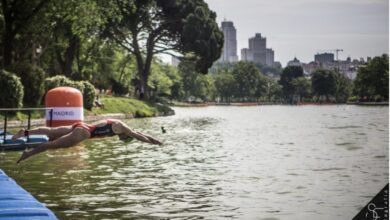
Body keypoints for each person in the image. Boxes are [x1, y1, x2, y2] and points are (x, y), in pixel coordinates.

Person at [13, 119, 162, 163]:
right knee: (52, 144)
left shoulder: (122, 127)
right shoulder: (122, 127)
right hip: (84, 133)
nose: (121, 139)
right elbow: (138, 136)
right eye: (124, 139)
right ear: (126, 136)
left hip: (81, 125)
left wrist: (157, 142)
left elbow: (138, 132)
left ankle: (25, 132)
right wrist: (150, 142)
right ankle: (28, 154)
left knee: (52, 131)